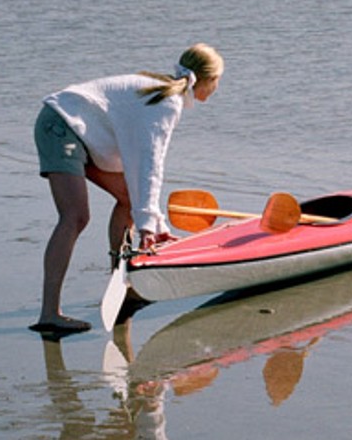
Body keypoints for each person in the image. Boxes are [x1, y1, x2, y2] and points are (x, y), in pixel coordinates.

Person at [33, 43, 224, 337]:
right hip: (61, 126)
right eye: (218, 81)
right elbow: (150, 163)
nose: (216, 89)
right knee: (75, 216)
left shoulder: (162, 91)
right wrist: (148, 226)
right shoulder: (166, 101)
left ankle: (121, 286)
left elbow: (138, 169)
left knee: (127, 199)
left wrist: (153, 222)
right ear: (209, 79)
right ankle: (49, 314)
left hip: (82, 134)